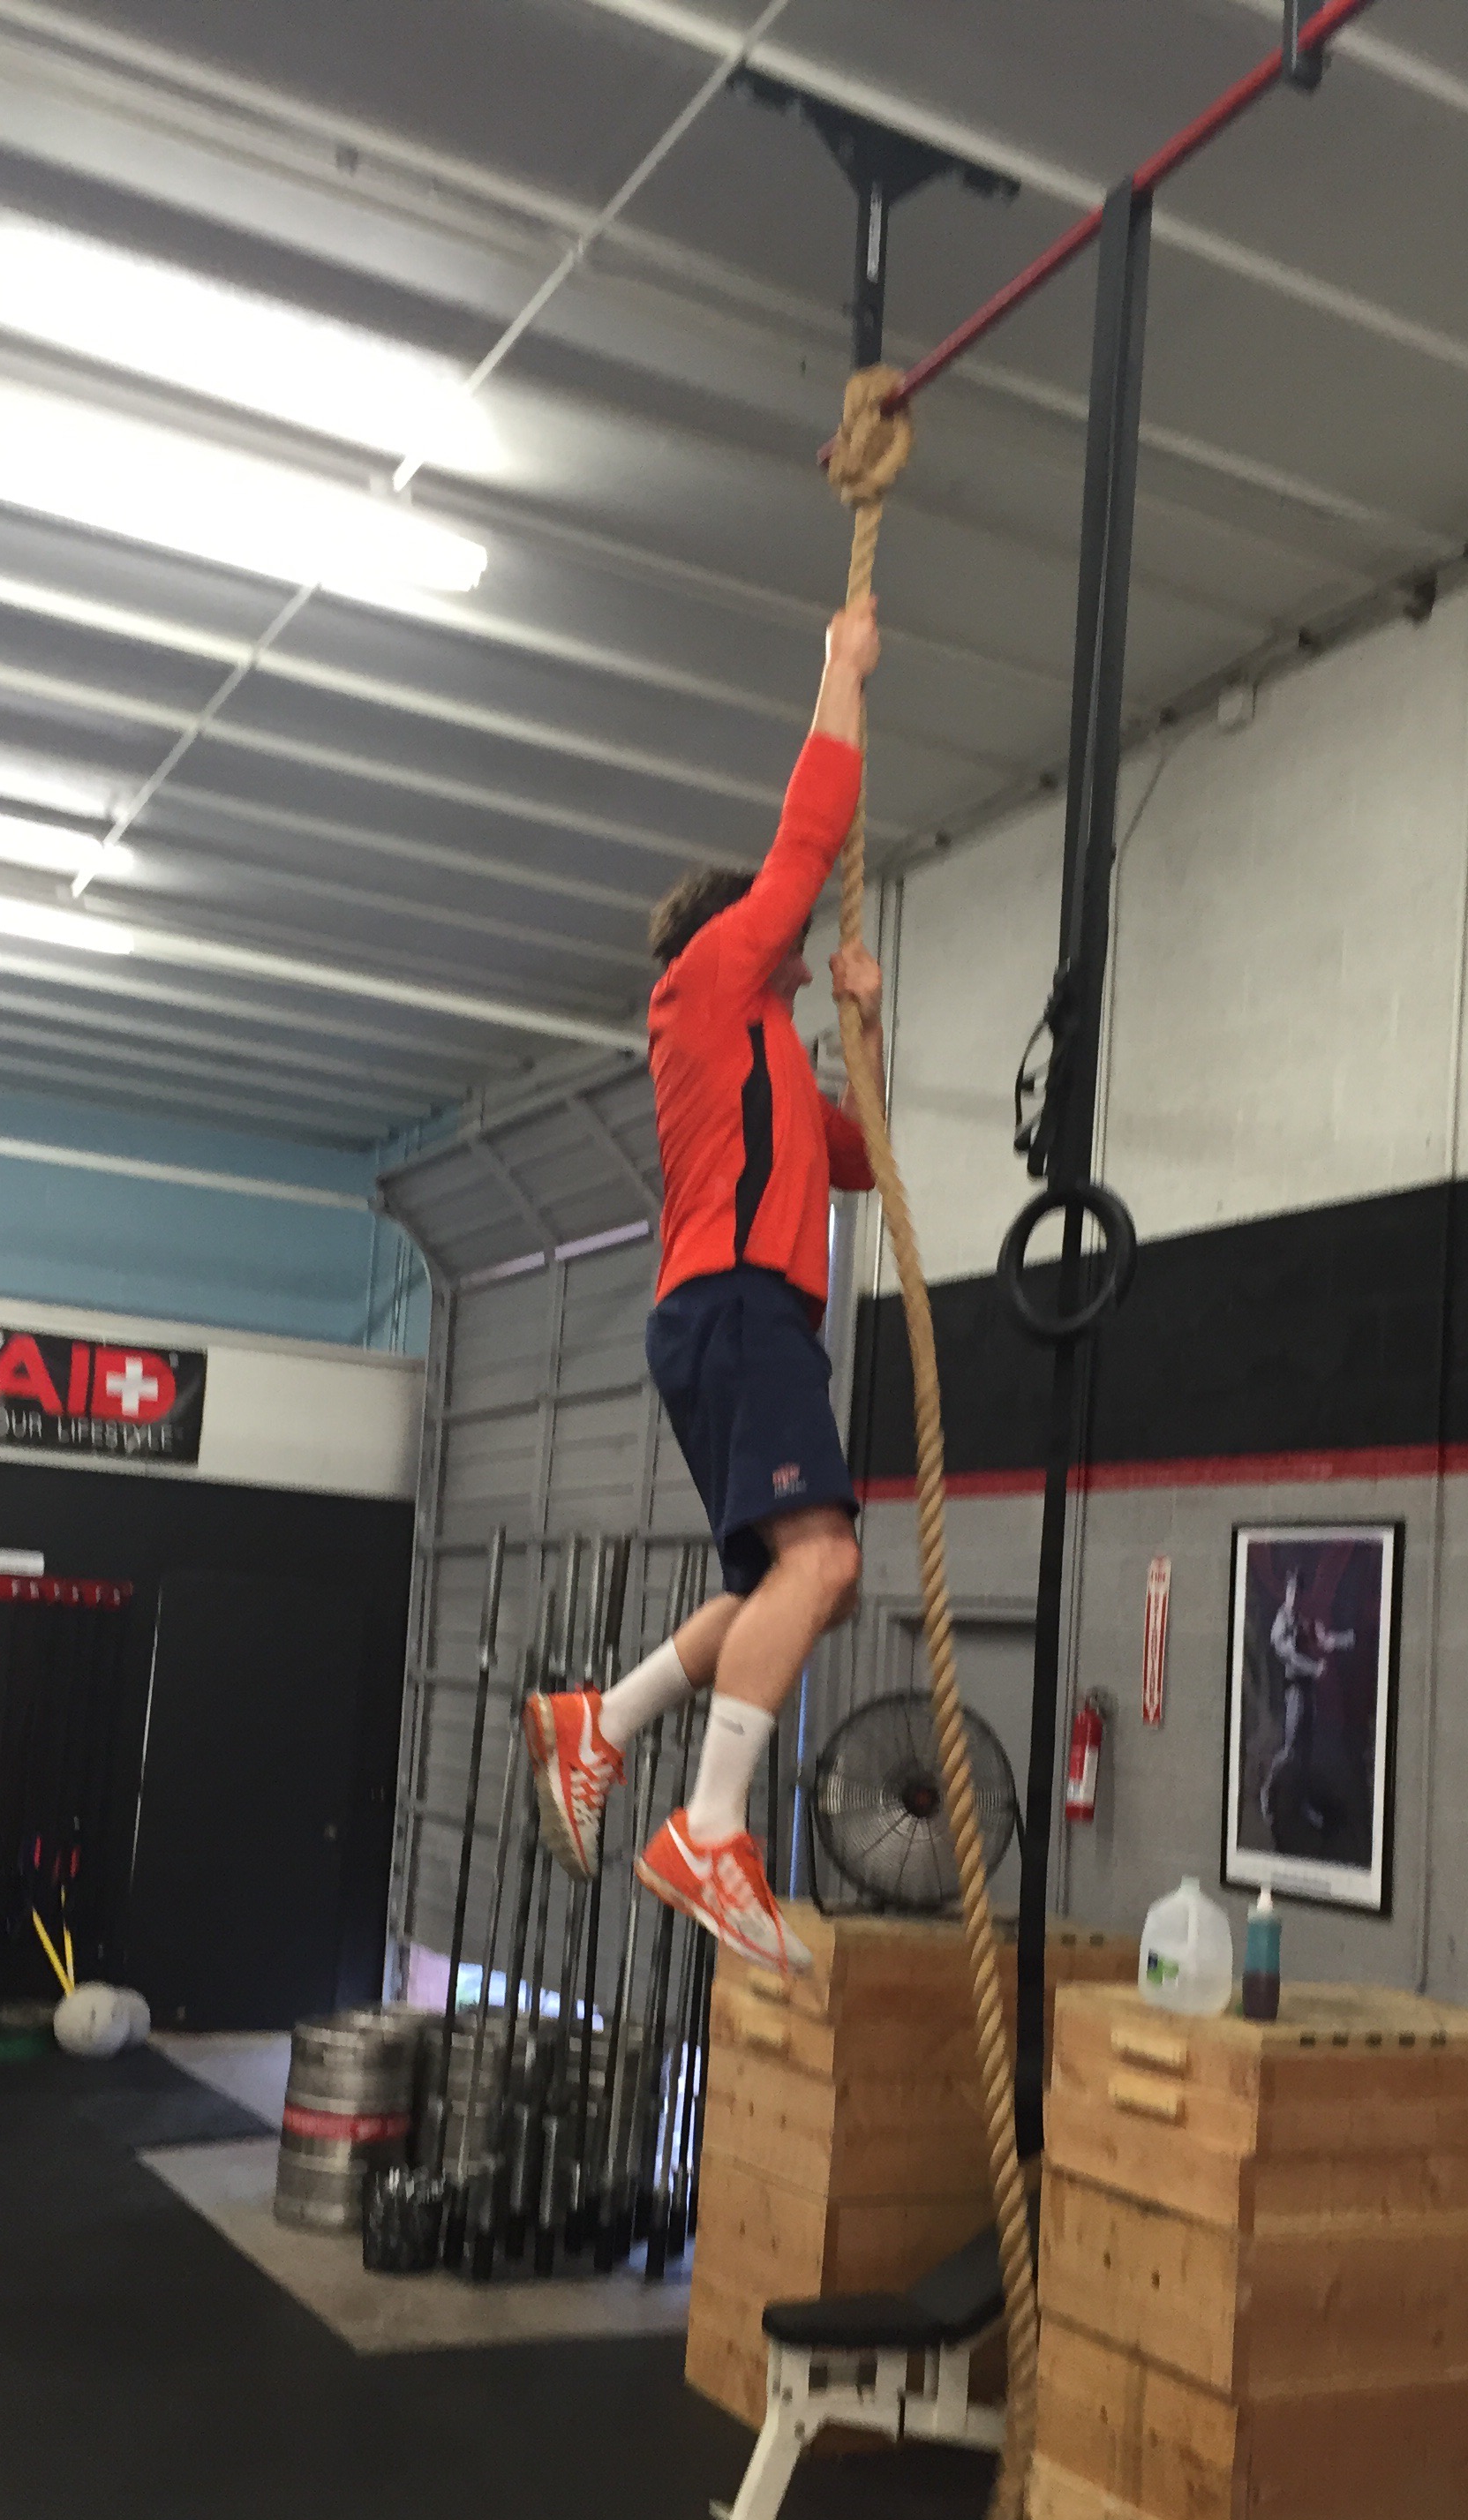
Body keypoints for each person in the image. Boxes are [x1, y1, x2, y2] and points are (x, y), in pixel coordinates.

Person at [523, 596, 886, 1977]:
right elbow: (809, 836)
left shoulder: (769, 1041)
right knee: (827, 1559)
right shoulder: (710, 980)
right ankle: (712, 1827)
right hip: (736, 1307)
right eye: (776, 916)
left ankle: (602, 1724)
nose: (794, 918)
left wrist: (863, 1029)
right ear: (736, 930)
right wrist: (840, 673)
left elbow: (862, 1161)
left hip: (736, 1316)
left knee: (804, 1586)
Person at [1259, 1566, 1352, 1844]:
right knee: (1290, 1750)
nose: (1295, 1596)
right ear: (1285, 1591)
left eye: (1299, 1591)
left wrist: (1334, 1639)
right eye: (1291, 1591)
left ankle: (1304, 1804)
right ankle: (1267, 1795)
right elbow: (1289, 1655)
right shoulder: (1280, 1623)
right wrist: (1314, 1668)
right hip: (1294, 1692)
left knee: (1307, 1752)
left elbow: (1321, 1640)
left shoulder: (1301, 1619)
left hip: (1308, 1690)